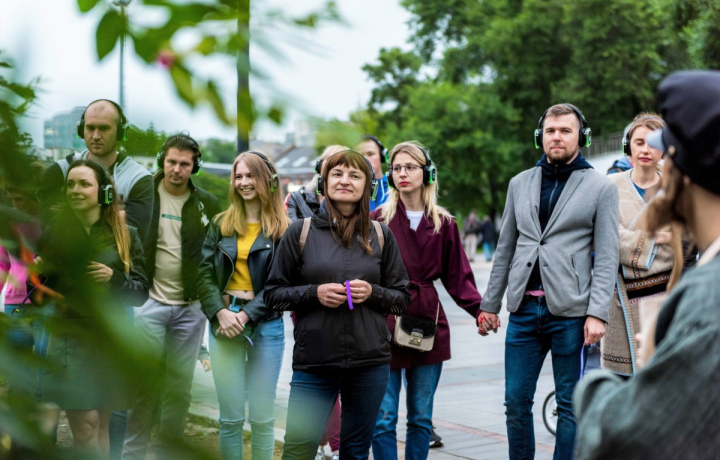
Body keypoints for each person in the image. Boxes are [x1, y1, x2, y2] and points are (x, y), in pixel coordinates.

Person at [574, 70, 720, 460]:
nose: (657, 162)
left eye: (666, 153)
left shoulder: (706, 297)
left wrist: (592, 389)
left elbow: (629, 437)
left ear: (681, 173)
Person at [478, 103, 619, 459]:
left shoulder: (601, 187)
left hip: (571, 313)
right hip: (523, 310)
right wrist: (489, 305)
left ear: (582, 137)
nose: (556, 137)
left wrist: (598, 314)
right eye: (551, 131)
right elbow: (505, 248)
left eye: (565, 131)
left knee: (569, 405)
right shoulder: (519, 183)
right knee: (515, 402)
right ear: (540, 136)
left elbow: (607, 257)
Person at [264, 149, 410, 460]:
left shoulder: (381, 235)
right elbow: (273, 294)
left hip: (369, 364)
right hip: (314, 363)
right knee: (298, 449)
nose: (345, 181)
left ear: (368, 186)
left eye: (355, 175)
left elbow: (402, 298)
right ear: (324, 182)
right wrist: (313, 293)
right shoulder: (299, 232)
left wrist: (373, 292)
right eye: (337, 174)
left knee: (355, 451)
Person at [370, 142, 483, 460]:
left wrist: (480, 311)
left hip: (428, 323)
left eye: (410, 167)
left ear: (428, 173)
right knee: (383, 419)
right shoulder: (378, 220)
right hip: (385, 323)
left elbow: (458, 276)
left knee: (420, 418)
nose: (402, 173)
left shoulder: (444, 223)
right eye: (396, 168)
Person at [38, 159, 148, 456]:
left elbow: (141, 293)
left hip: (110, 339)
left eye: (84, 184)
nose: (75, 190)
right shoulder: (53, 234)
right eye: (70, 184)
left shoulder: (127, 235)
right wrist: (39, 278)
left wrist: (115, 279)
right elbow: (40, 297)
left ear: (104, 193)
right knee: (86, 428)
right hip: (69, 338)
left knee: (100, 426)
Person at [123, 134, 220, 459]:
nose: (177, 169)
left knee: (178, 390)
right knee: (143, 387)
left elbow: (215, 256)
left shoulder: (207, 203)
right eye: (171, 162)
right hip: (147, 302)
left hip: (190, 308)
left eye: (184, 164)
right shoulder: (143, 198)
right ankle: (132, 454)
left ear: (195, 167)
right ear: (161, 161)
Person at [196, 151, 289, 460]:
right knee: (230, 418)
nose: (244, 182)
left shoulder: (283, 229)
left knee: (262, 418)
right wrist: (219, 312)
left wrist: (247, 314)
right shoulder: (220, 224)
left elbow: (280, 284)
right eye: (238, 176)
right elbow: (203, 274)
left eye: (251, 175)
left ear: (267, 180)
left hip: (266, 325)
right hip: (223, 321)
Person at [285, 145, 349, 460]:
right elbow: (294, 255)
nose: (342, 177)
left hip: (348, 301)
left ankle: (329, 444)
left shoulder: (356, 201)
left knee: (335, 378)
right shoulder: (298, 200)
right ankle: (333, 446)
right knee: (319, 376)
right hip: (309, 300)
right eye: (333, 168)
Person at [601, 113, 675, 376]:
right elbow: (604, 238)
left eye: (653, 144)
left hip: (668, 298)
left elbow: (686, 246)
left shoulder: (676, 188)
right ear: (628, 146)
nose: (645, 150)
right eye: (639, 142)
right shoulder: (608, 186)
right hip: (620, 302)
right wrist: (656, 239)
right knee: (622, 382)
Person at [37, 99, 153, 241]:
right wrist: (115, 218)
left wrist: (72, 214)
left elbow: (135, 238)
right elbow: (50, 231)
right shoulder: (60, 171)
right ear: (81, 130)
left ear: (120, 132)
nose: (96, 136)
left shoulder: (138, 178)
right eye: (90, 128)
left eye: (104, 128)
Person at [285, 144, 349, 221]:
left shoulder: (353, 201)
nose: (334, 166)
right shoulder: (296, 198)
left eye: (341, 162)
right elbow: (290, 226)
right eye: (330, 160)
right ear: (319, 166)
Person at [357, 135, 391, 211]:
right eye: (360, 155)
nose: (365, 159)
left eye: (370, 154)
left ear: (382, 156)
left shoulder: (395, 186)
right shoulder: (350, 188)